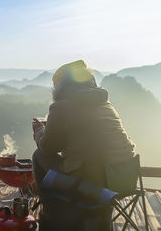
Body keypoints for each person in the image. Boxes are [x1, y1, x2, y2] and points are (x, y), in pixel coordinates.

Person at [31, 60, 136, 230]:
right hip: (126, 178)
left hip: (95, 182)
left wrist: (38, 130)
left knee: (39, 155)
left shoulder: (61, 107)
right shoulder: (107, 105)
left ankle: (51, 216)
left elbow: (48, 147)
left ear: (60, 86)